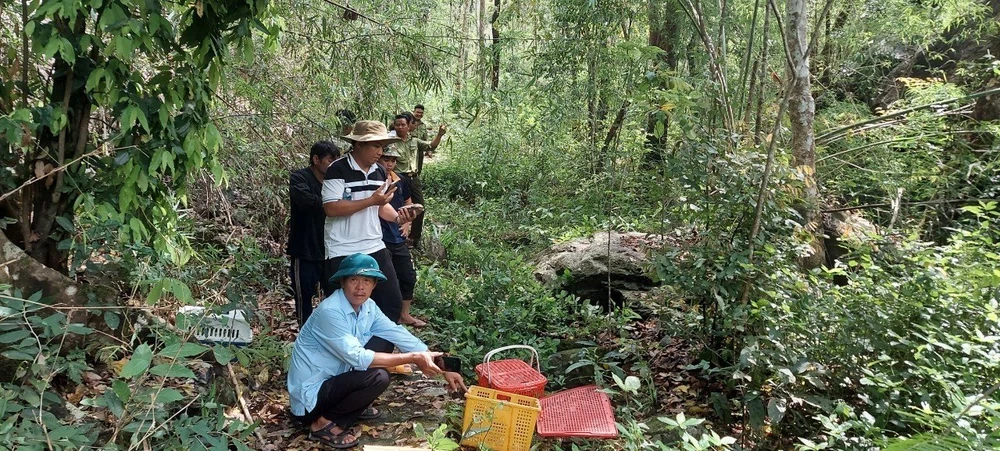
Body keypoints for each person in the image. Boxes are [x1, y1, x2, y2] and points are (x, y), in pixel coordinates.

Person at [288, 253, 467, 448]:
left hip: (336, 378)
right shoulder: (330, 311)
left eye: (367, 281)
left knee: (384, 340)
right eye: (354, 280)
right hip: (310, 398)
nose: (360, 287)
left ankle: (351, 403)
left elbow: (397, 333)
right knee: (378, 377)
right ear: (342, 282)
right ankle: (323, 423)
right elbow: (357, 357)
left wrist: (441, 366)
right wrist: (414, 358)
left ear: (374, 285)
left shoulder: (368, 307)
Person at [321, 120, 416, 348]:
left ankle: (374, 357)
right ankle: (345, 358)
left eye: (382, 146)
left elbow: (380, 206)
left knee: (390, 303)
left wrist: (398, 217)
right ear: (358, 145)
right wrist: (371, 200)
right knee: (344, 308)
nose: (380, 152)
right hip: (342, 247)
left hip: (374, 244)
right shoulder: (338, 169)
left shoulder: (380, 171)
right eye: (375, 146)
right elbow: (331, 207)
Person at [288, 141, 339, 326]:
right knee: (304, 298)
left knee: (335, 296)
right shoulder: (300, 177)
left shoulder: (335, 181)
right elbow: (305, 201)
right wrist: (334, 205)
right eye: (330, 160)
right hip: (305, 248)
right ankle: (305, 337)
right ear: (316, 159)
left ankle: (332, 334)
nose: (333, 165)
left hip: (330, 249)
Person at [377, 147, 426, 327]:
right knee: (383, 279)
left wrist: (406, 223)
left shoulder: (401, 180)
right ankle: (384, 319)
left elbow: (408, 202)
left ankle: (404, 314)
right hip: (379, 236)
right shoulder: (375, 179)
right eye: (386, 159)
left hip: (397, 235)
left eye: (393, 160)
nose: (389, 163)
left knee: (408, 275)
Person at [388, 113, 446, 248]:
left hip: (413, 178)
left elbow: (431, 146)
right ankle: (398, 236)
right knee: (398, 208)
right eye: (397, 125)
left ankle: (414, 238)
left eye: (403, 125)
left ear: (409, 126)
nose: (400, 127)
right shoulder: (390, 142)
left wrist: (440, 134)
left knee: (419, 208)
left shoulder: (414, 141)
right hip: (398, 178)